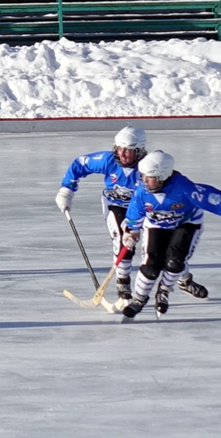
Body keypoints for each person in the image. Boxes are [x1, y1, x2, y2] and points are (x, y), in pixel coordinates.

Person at [55, 126, 208, 307]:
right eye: (120, 149)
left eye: (129, 150)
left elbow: (171, 184)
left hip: (147, 211)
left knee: (166, 253)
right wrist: (67, 189)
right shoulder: (107, 160)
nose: (123, 154)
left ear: (140, 151)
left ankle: (184, 279)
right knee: (122, 240)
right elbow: (80, 164)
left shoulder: (149, 167)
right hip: (116, 206)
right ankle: (123, 284)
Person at [120, 150, 221, 321]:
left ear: (162, 176)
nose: (144, 181)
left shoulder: (184, 188)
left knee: (174, 261)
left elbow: (214, 198)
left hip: (186, 223)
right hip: (156, 224)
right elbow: (134, 214)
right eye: (142, 176)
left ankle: (164, 290)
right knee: (151, 265)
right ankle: (139, 298)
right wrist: (131, 232)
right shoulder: (141, 192)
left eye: (148, 177)